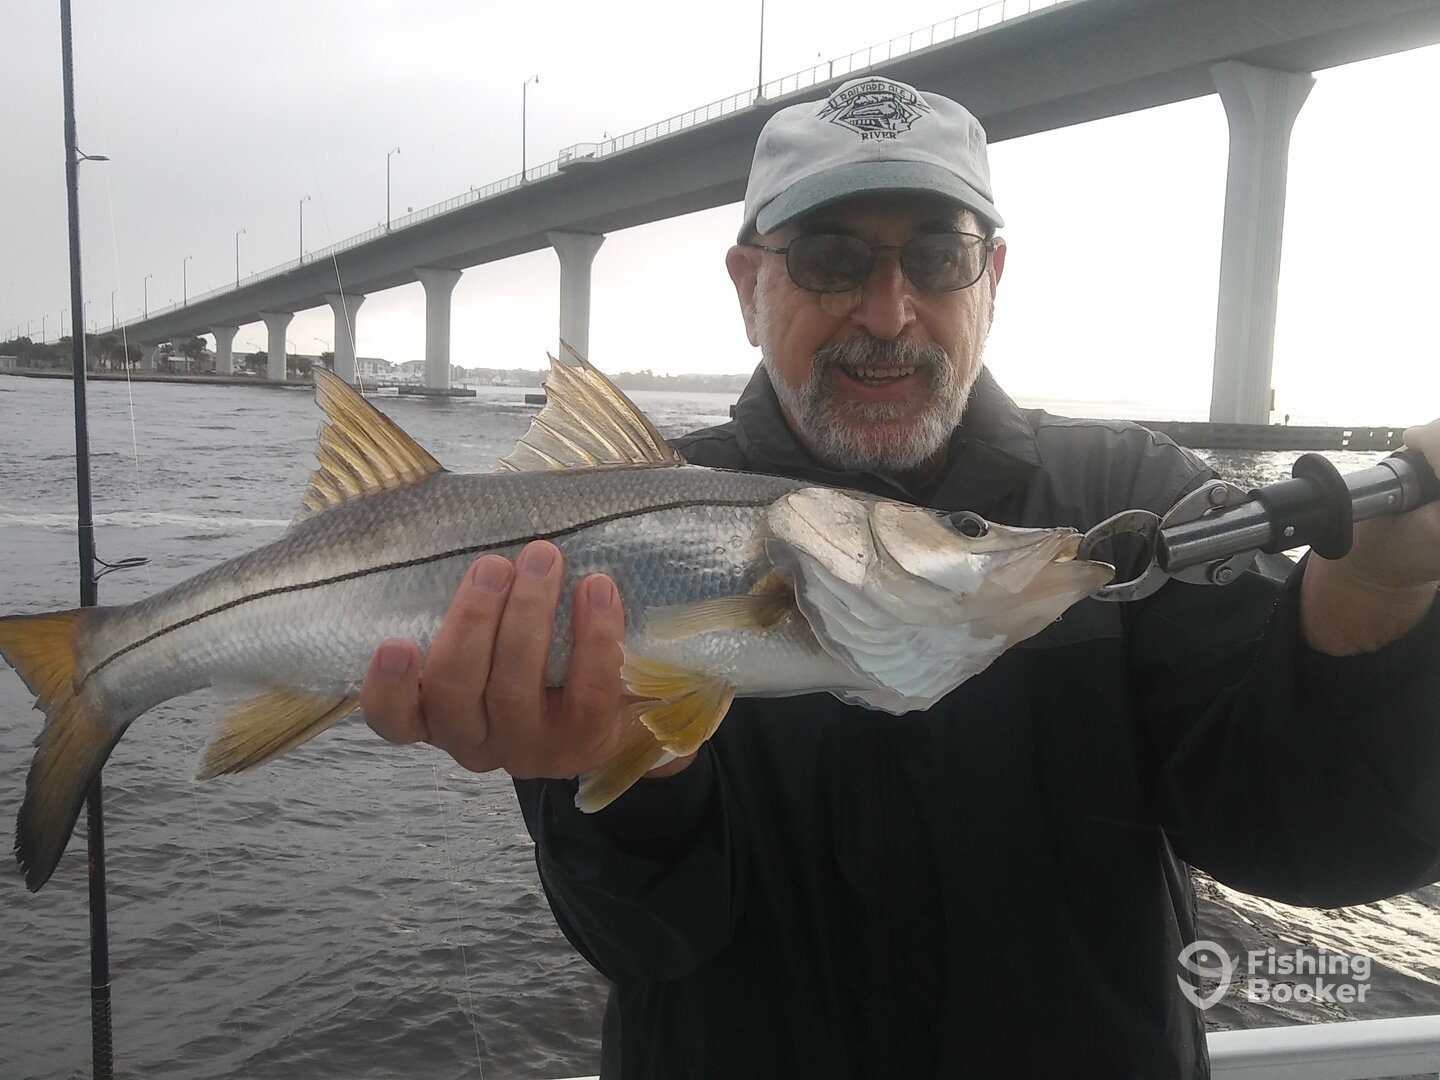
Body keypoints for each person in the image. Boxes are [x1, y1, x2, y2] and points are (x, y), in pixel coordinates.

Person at [359, 76, 1440, 1078]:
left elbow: (1314, 842)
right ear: (748, 284)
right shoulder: (611, 533)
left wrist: (1379, 597)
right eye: (831, 259)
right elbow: (647, 942)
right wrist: (628, 777)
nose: (887, 314)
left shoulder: (1132, 502)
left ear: (992, 278)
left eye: (936, 257)